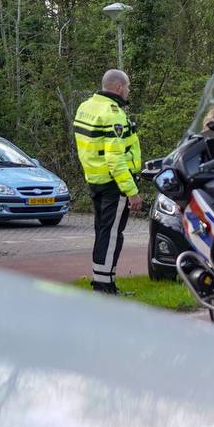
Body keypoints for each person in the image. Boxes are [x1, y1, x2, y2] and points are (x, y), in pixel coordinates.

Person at [73, 69, 143, 293]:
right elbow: (115, 159)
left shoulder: (86, 107)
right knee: (112, 234)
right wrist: (131, 191)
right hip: (115, 183)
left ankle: (103, 280)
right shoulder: (113, 113)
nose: (128, 91)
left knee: (103, 231)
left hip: (95, 179)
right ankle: (104, 286)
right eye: (128, 87)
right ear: (119, 87)